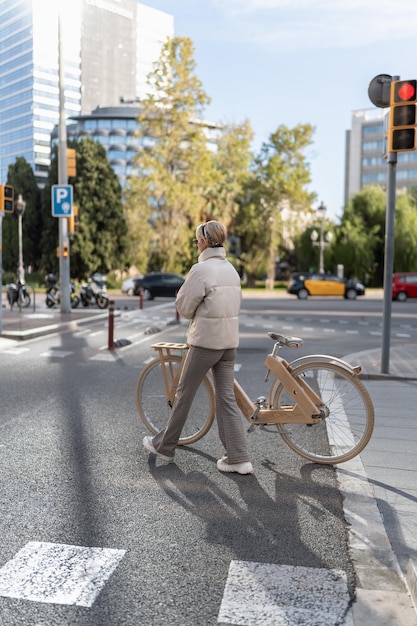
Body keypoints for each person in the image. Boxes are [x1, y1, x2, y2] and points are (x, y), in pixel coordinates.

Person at [143, 220, 253, 475]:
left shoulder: (201, 270)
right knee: (226, 399)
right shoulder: (232, 271)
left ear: (204, 242)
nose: (197, 245)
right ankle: (239, 457)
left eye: (197, 241)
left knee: (183, 394)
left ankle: (165, 447)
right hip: (229, 345)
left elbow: (183, 307)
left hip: (205, 344)